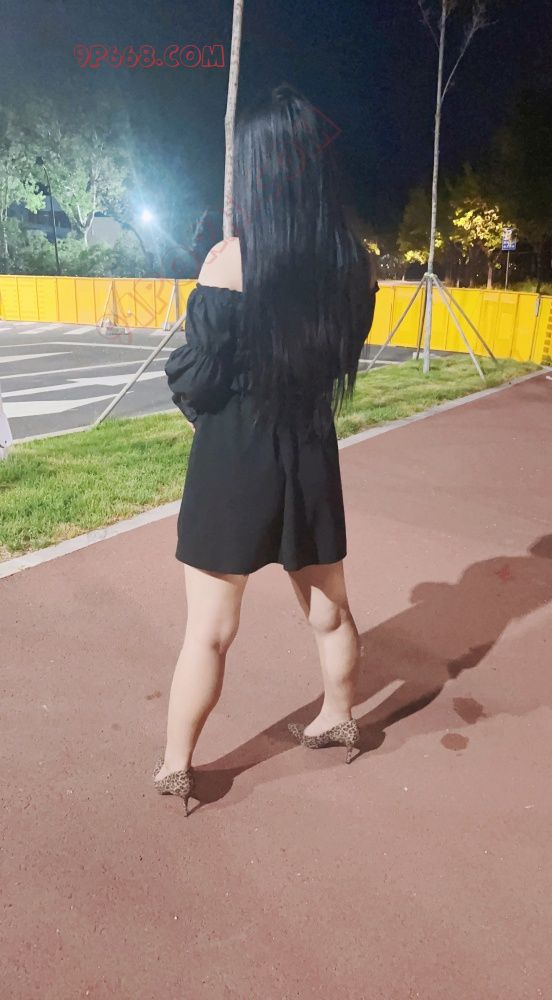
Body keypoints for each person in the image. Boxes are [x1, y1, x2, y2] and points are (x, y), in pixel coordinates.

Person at [156, 84, 379, 815]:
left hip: (234, 454)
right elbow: (340, 354)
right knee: (329, 607)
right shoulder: (356, 262)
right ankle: (338, 715)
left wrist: (206, 415)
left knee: (209, 631)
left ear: (255, 169)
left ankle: (178, 764)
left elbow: (199, 376)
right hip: (310, 447)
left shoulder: (230, 261)